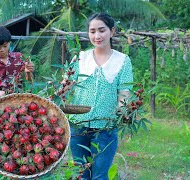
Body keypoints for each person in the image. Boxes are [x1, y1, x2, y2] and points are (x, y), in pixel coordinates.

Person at [69, 13, 133, 179]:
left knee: (99, 175)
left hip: (105, 129)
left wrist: (122, 112)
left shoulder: (122, 61)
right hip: (78, 127)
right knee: (81, 174)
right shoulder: (81, 58)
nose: (97, 36)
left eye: (101, 30)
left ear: (112, 31)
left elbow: (124, 93)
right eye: (92, 31)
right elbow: (66, 87)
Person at [0, 26, 34, 99]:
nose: (2, 50)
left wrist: (28, 72)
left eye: (5, 46)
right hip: (0, 101)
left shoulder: (19, 57)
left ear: (9, 43)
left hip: (19, 99)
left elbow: (29, 81)